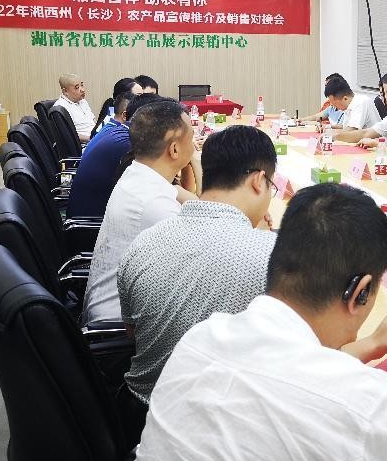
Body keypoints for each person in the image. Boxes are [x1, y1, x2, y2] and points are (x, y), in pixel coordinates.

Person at [126, 183, 387, 461]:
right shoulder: (359, 402)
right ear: (360, 291)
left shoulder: (202, 337)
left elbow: (287, 371)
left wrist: (370, 344)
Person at [116, 125, 279, 406]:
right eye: (271, 188)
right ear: (258, 181)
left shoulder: (144, 241)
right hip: (216, 421)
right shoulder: (274, 259)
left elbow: (133, 332)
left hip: (137, 410)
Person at [82, 98, 198, 327]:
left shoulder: (138, 173)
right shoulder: (155, 205)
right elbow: (207, 253)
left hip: (117, 313)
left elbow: (196, 205)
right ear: (174, 149)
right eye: (192, 137)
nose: (194, 145)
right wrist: (197, 162)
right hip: (117, 330)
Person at [66, 91, 137, 220]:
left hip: (84, 213)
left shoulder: (112, 130)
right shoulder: (122, 141)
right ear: (125, 115)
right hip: (90, 222)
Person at [51, 73, 95, 142]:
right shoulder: (61, 108)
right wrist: (92, 138)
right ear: (65, 91)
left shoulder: (82, 101)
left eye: (82, 85)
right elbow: (69, 135)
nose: (82, 90)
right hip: (85, 144)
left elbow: (92, 121)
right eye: (77, 87)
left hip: (96, 138)